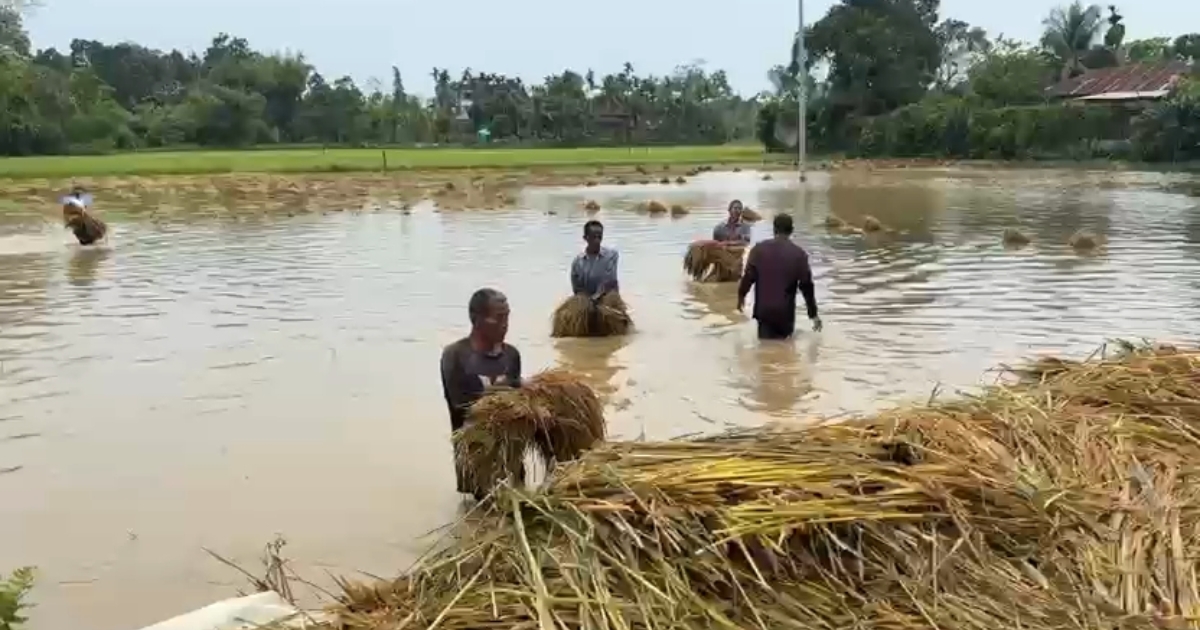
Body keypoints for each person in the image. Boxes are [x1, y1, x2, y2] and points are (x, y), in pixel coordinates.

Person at [440, 288, 523, 499]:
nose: (505, 324)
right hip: (474, 459)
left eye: (507, 317)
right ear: (476, 319)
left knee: (517, 506)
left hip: (511, 459)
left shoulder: (512, 355)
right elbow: (461, 405)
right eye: (498, 318)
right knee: (476, 513)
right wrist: (507, 391)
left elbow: (518, 405)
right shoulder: (455, 355)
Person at [736, 213, 823, 340]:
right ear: (791, 230)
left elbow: (748, 278)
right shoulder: (799, 254)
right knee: (785, 346)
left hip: (764, 311)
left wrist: (741, 297)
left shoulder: (758, 250)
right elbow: (807, 286)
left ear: (774, 229)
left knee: (765, 347)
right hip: (785, 313)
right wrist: (813, 314)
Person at [570, 220, 620, 301]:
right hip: (587, 301)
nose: (597, 241)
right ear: (585, 238)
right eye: (593, 237)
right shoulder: (578, 262)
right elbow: (577, 288)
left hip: (607, 299)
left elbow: (610, 281)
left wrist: (595, 298)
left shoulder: (611, 255)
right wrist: (586, 301)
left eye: (599, 237)